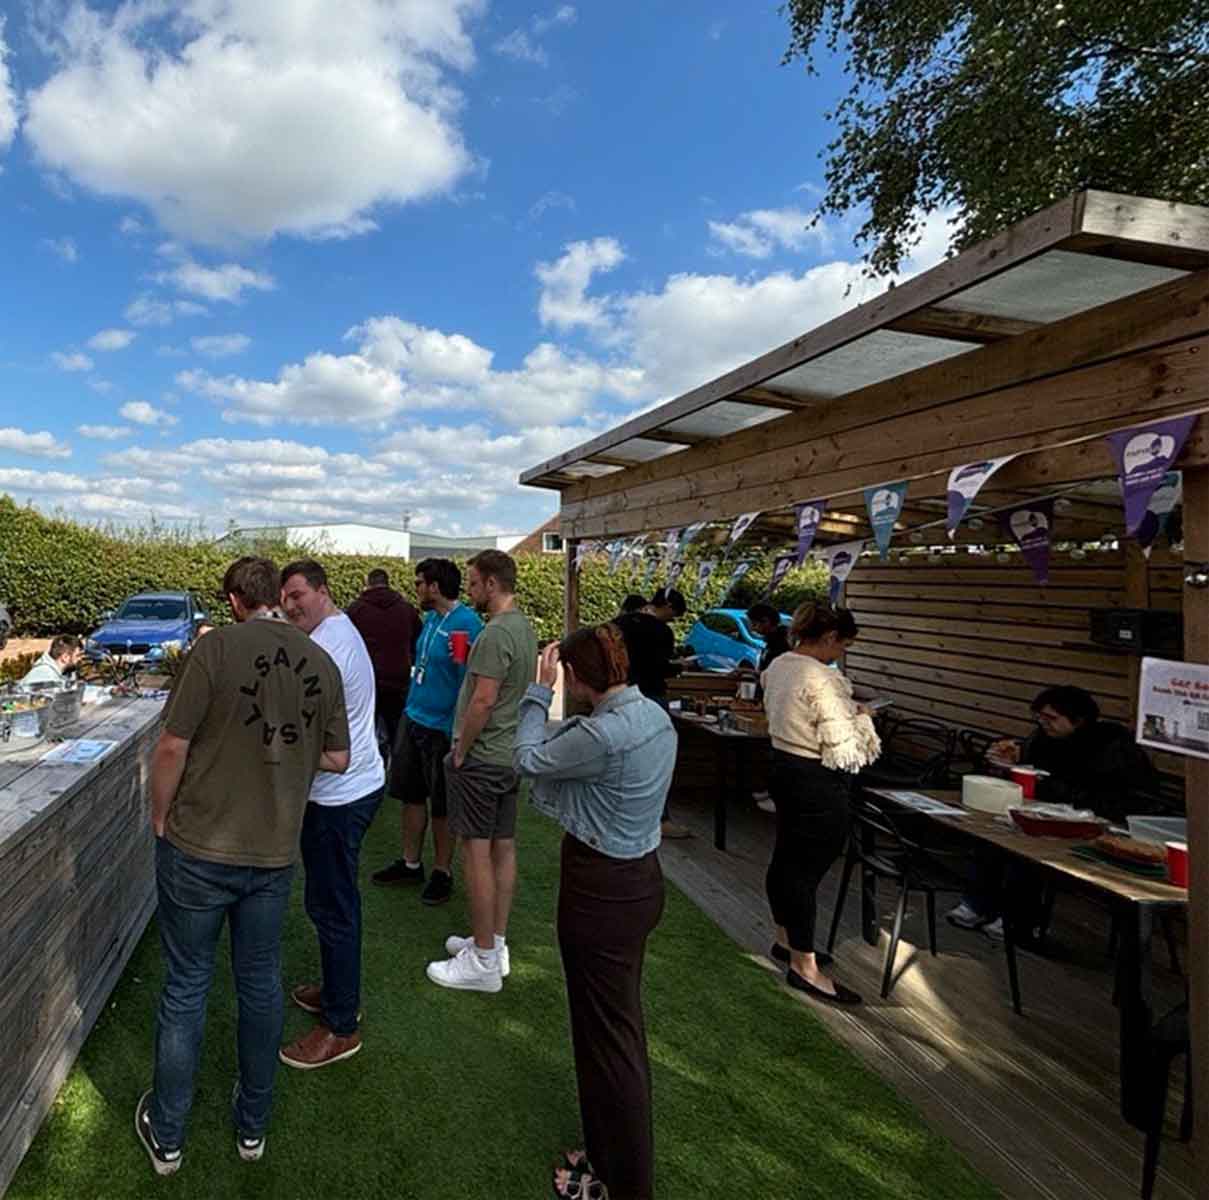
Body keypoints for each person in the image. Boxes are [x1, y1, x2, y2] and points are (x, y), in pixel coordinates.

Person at [136, 557, 349, 1177]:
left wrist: (158, 815)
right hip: (273, 851)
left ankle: (169, 1135)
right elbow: (338, 756)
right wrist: (286, 754)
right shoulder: (320, 659)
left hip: (198, 847)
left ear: (234, 600)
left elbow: (173, 744)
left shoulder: (217, 648)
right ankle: (252, 1126)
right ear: (277, 595)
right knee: (258, 984)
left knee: (186, 986)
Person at [514, 625, 675, 1200]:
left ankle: (623, 1181)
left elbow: (528, 756)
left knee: (611, 1040)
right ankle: (608, 1153)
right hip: (637, 881)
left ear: (576, 678)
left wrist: (537, 691)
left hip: (602, 890)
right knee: (607, 1030)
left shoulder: (605, 734)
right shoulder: (653, 716)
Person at [275, 560, 386, 1069]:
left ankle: (342, 1027)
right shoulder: (333, 632)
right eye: (285, 598)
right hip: (347, 788)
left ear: (324, 591)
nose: (291, 605)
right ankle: (338, 990)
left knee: (334, 907)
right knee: (329, 903)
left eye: (298, 594)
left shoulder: (328, 647)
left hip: (340, 795)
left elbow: (301, 731)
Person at [947, 685, 1161, 939]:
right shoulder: (1041, 738)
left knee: (1026, 849)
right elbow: (1030, 770)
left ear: (1079, 720)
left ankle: (1018, 920)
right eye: (1039, 717)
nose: (1043, 724)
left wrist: (1046, 786)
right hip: (1049, 814)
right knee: (991, 836)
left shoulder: (1111, 747)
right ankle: (977, 905)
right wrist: (1007, 764)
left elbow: (1110, 800)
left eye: (1051, 719)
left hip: (1104, 824)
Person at [427, 550, 537, 993]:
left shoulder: (495, 634)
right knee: (503, 847)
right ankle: (494, 943)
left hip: (484, 757)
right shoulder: (524, 628)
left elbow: (483, 700)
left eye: (473, 583)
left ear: (492, 584)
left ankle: (484, 961)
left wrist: (461, 748)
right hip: (508, 756)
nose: (468, 590)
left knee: (475, 850)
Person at [761, 602, 880, 1006]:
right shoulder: (821, 678)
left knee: (785, 859)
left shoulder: (779, 665)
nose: (841, 654)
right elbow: (845, 747)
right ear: (829, 638)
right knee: (805, 872)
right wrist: (862, 716)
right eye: (843, 645)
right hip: (816, 779)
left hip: (782, 765)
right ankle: (805, 967)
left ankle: (786, 940)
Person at [371, 558, 483, 905]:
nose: (415, 588)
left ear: (434, 586)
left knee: (442, 804)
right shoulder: (431, 619)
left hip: (442, 727)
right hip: (413, 716)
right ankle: (410, 863)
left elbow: (473, 680)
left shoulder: (468, 623)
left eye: (419, 582)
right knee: (410, 794)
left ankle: (441, 871)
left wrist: (459, 732)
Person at [614, 588, 693, 839]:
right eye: (674, 614)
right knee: (657, 759)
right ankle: (661, 819)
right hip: (652, 697)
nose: (673, 619)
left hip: (620, 696)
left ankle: (623, 815)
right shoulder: (660, 631)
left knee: (622, 757)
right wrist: (679, 667)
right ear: (667, 605)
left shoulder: (618, 625)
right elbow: (660, 667)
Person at [345, 567, 422, 754]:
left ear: (368, 583)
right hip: (399, 679)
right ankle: (396, 774)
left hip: (367, 681)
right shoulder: (407, 609)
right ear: (388, 583)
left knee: (364, 733)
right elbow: (418, 641)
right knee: (397, 734)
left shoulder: (356, 610)